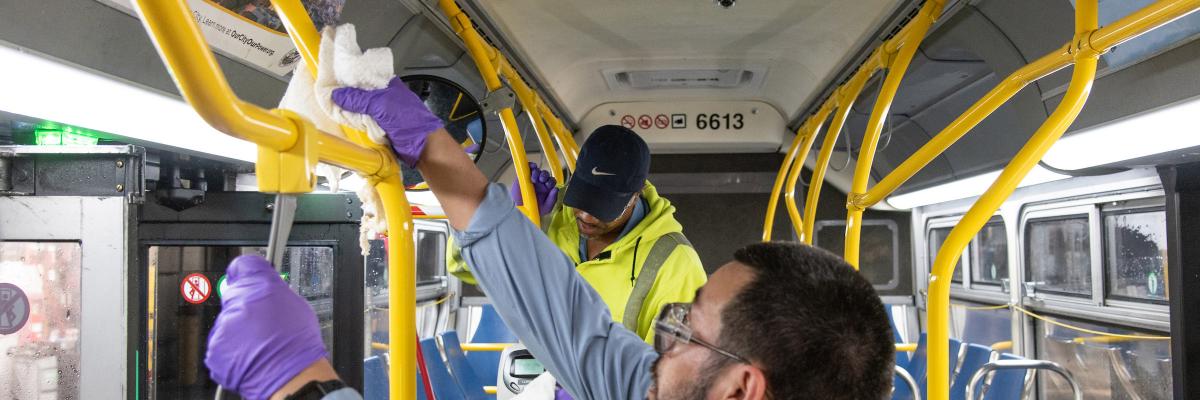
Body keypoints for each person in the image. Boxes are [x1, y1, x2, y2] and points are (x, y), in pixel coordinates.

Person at [205, 78, 895, 400]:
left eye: (688, 326)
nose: (664, 331)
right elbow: (567, 312)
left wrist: (298, 383)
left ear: (743, 390)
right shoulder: (659, 390)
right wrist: (431, 146)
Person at [448, 124, 707, 343]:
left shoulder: (677, 264)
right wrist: (512, 218)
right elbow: (465, 267)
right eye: (582, 200)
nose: (585, 215)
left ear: (634, 195)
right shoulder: (549, 215)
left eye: (602, 207)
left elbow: (678, 371)